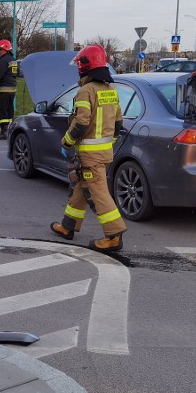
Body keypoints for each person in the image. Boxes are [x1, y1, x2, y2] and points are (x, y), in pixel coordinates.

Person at [50, 44, 126, 252]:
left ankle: (113, 235)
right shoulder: (111, 91)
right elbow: (118, 124)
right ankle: (68, 227)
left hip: (90, 156)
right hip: (103, 152)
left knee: (98, 193)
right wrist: (107, 144)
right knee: (80, 190)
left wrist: (66, 142)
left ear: (85, 67)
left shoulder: (86, 91)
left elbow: (81, 123)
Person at [0, 39, 18, 140]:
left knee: (2, 111)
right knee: (9, 111)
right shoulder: (13, 59)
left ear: (5, 49)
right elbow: (17, 73)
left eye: (0, 49)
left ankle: (3, 131)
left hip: (4, 89)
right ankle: (9, 130)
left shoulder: (3, 60)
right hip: (12, 89)